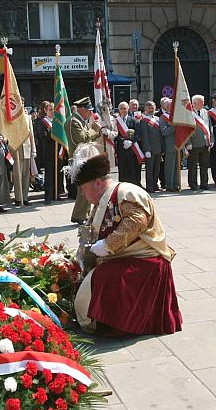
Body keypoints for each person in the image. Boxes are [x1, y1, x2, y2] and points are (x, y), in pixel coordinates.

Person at [70, 143, 183, 336]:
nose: (83, 194)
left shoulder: (126, 193)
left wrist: (107, 245)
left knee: (105, 276)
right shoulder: (101, 200)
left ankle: (110, 324)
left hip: (146, 259)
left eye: (84, 188)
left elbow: (136, 221)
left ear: (97, 182)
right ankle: (100, 319)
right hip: (128, 256)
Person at [66, 97, 113, 224]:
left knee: (86, 186)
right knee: (85, 187)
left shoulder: (80, 120)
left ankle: (82, 214)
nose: (90, 113)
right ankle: (79, 215)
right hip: (78, 158)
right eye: (88, 110)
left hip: (84, 157)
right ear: (81, 109)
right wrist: (94, 129)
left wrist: (95, 131)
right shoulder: (73, 121)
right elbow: (81, 139)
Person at [11, 103, 37, 206]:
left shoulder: (28, 117)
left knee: (26, 175)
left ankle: (25, 197)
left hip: (27, 148)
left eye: (21, 103)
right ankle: (18, 198)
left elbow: (31, 134)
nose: (20, 105)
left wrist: (33, 149)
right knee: (17, 175)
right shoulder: (12, 117)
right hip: (16, 149)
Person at [187, 94, 211, 190]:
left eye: (203, 101)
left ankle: (204, 183)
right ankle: (193, 183)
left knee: (204, 165)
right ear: (194, 103)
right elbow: (186, 129)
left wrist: (211, 140)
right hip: (194, 143)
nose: (203, 103)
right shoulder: (189, 113)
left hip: (205, 143)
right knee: (193, 166)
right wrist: (188, 143)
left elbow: (209, 127)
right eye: (201, 102)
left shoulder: (205, 112)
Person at [114, 101, 142, 185]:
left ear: (128, 109)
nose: (123, 110)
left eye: (125, 108)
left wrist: (131, 141)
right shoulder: (116, 121)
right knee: (122, 169)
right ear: (119, 110)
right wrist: (123, 141)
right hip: (121, 149)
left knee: (132, 169)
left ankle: (133, 186)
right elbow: (115, 134)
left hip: (132, 149)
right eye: (121, 109)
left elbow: (138, 134)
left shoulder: (133, 120)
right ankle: (122, 187)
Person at [139, 101, 163, 192]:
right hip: (150, 149)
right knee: (149, 169)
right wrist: (147, 150)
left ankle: (155, 185)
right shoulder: (144, 121)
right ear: (145, 109)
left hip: (158, 148)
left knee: (157, 168)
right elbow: (144, 136)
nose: (151, 109)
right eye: (149, 108)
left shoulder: (157, 119)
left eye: (152, 107)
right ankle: (150, 187)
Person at [159, 97, 180, 191]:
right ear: (167, 107)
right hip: (169, 145)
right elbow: (164, 132)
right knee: (170, 167)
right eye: (171, 105)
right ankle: (169, 185)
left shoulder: (176, 116)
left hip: (178, 144)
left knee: (177, 166)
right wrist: (173, 127)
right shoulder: (163, 117)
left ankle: (176, 184)